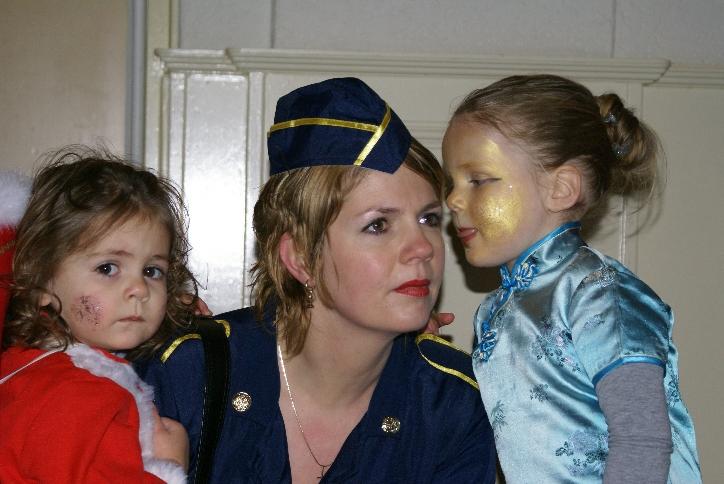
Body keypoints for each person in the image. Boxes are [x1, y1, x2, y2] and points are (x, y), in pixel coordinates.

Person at [137, 77, 497, 483]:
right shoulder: (189, 374)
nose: (422, 248)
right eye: (378, 225)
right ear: (301, 258)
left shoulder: (450, 403)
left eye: (429, 219)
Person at [443, 74, 701, 483]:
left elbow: (641, 440)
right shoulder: (494, 311)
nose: (453, 200)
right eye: (452, 183)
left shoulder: (598, 293)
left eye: (477, 180)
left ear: (561, 188)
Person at [0, 148, 194, 483]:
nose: (140, 289)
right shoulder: (71, 395)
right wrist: (169, 468)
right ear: (41, 279)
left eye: (152, 271)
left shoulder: (43, 371)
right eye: (108, 268)